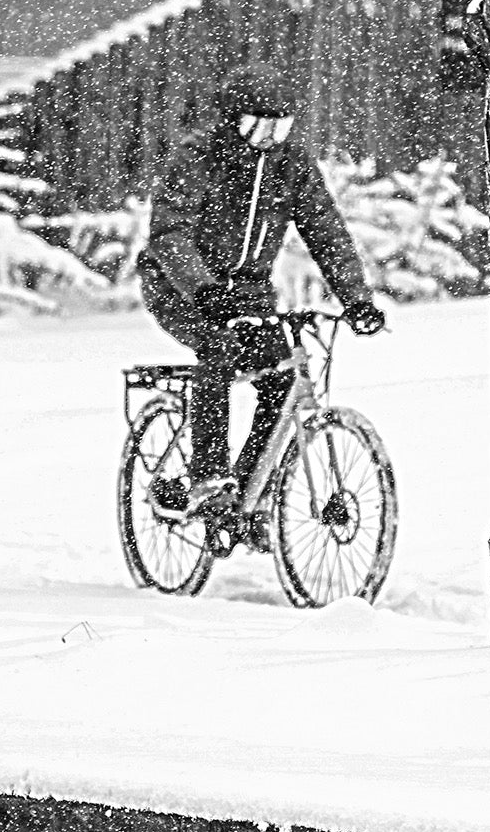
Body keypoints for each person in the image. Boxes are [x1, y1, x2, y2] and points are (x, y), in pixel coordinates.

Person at [140, 62, 386, 519]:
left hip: (250, 294)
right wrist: (202, 288)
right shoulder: (197, 160)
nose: (270, 136)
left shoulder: (292, 166)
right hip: (180, 288)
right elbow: (169, 234)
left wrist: (357, 299)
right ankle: (209, 479)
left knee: (283, 377)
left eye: (281, 125)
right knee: (219, 350)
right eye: (258, 125)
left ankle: (248, 498)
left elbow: (327, 232)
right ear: (234, 121)